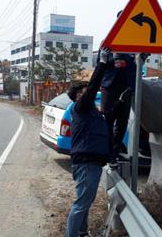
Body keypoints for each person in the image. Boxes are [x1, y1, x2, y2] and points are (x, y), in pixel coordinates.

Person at [65, 48, 113, 237]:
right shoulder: (81, 107)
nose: (91, 94)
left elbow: (108, 119)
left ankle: (82, 232)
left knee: (84, 200)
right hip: (86, 162)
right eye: (85, 92)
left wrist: (121, 100)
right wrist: (101, 64)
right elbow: (93, 87)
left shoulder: (92, 112)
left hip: (90, 162)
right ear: (78, 96)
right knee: (82, 202)